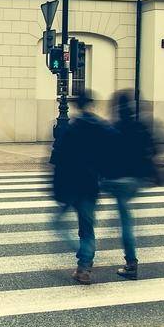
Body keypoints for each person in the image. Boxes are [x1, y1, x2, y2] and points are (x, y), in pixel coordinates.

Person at [51, 91, 114, 284]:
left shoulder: (71, 128)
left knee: (58, 224)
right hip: (90, 185)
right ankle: (85, 265)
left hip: (71, 184)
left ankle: (83, 255)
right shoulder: (102, 128)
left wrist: (56, 186)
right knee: (87, 227)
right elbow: (109, 158)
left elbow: (57, 157)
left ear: (77, 106)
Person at [106, 90, 159, 280]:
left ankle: (131, 263)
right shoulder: (140, 126)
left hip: (119, 180)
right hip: (136, 179)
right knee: (125, 215)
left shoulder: (114, 127)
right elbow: (154, 149)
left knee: (125, 221)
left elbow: (104, 156)